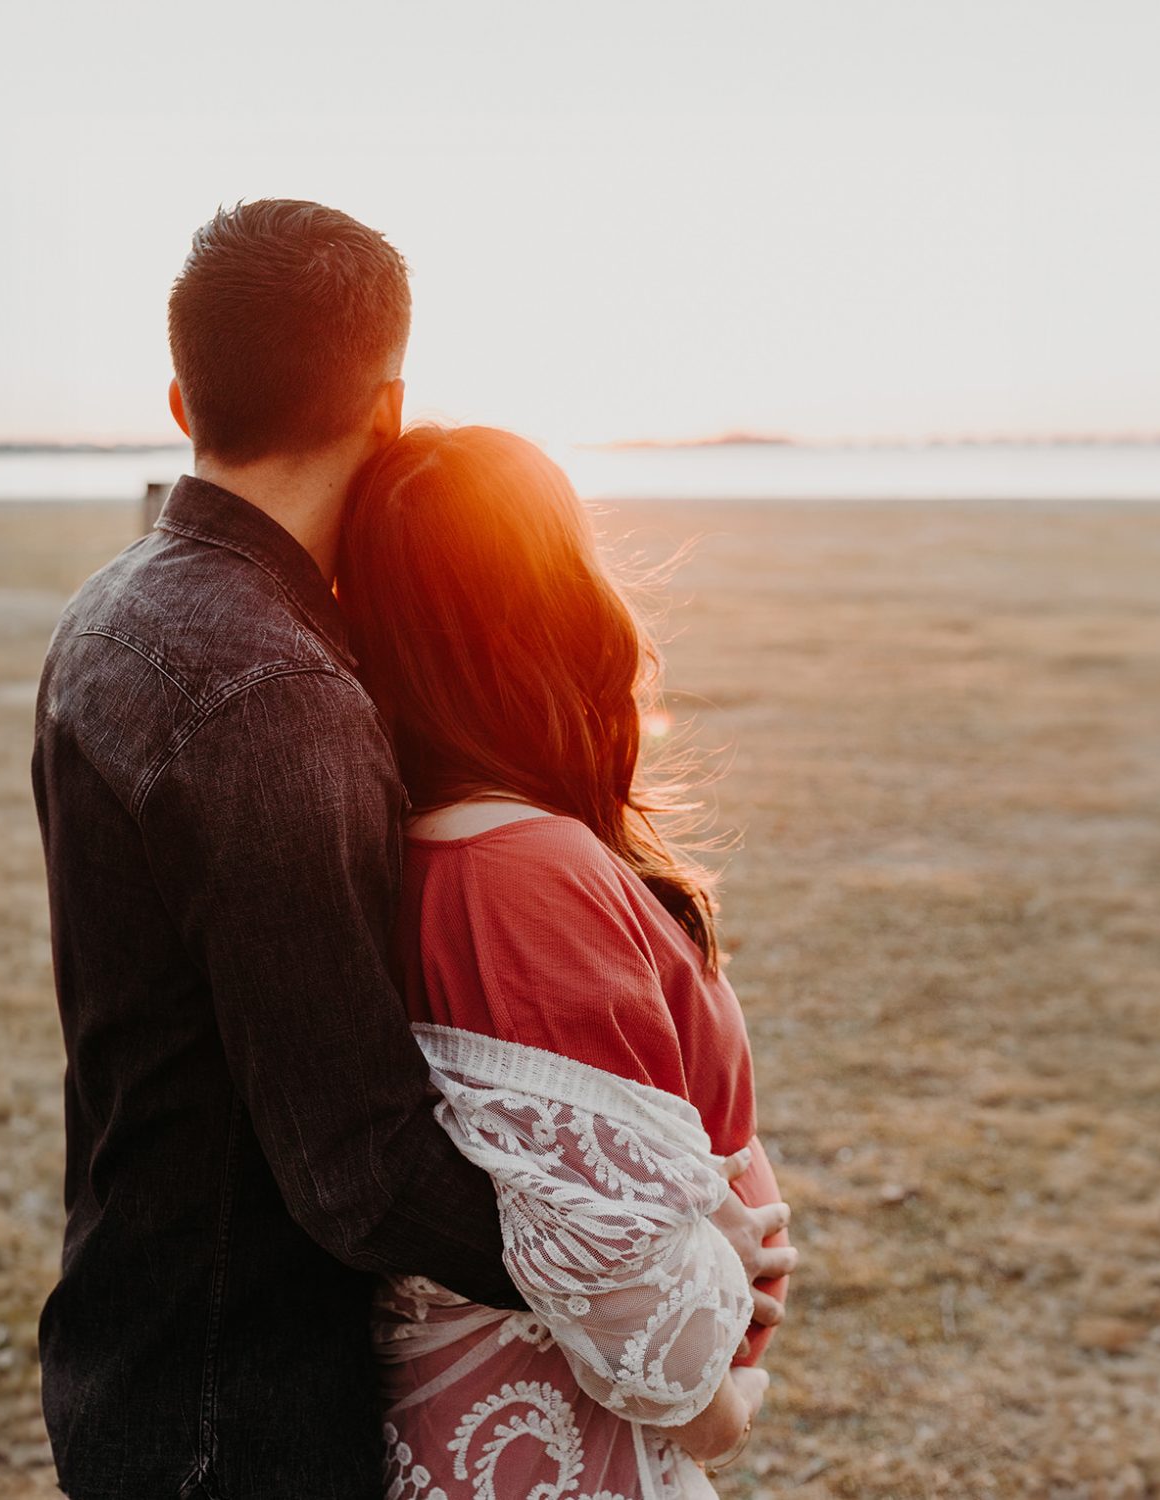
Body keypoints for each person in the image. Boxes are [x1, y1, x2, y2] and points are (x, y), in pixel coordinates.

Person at [30, 199, 794, 1499]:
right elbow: (363, 1174)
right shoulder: (269, 690)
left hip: (133, 1320)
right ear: (385, 410)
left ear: (177, 398)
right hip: (242, 1394)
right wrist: (654, 1253)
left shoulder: (115, 611)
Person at [335, 425, 794, 1497]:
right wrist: (725, 1408)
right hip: (562, 1445)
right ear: (551, 604)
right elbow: (613, 1272)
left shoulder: (441, 845)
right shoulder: (520, 876)